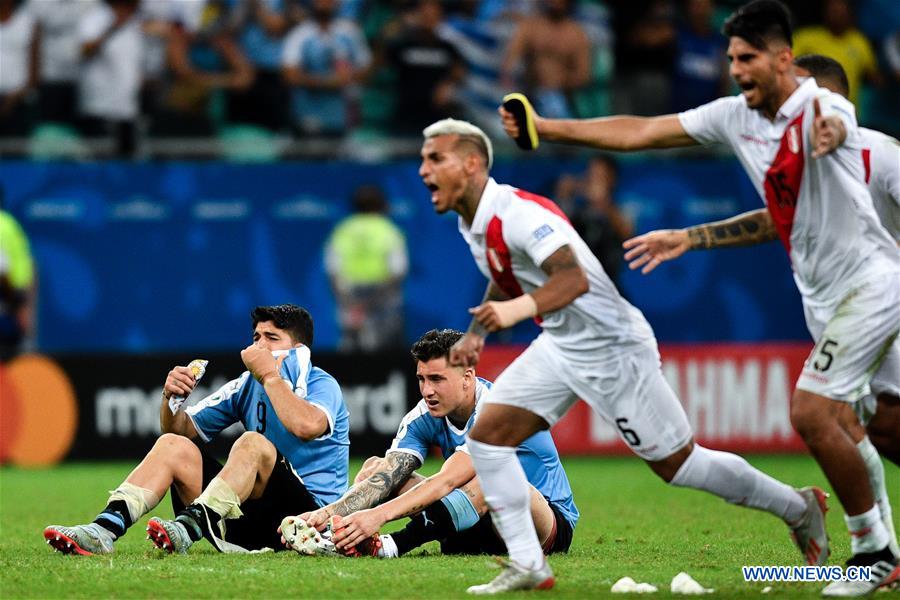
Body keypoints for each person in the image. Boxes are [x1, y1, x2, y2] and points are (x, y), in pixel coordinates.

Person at [499, 1, 899, 594]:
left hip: (872, 284)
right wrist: (549, 128)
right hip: (829, 300)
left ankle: (874, 553)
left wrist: (831, 131)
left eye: (749, 58)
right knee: (877, 426)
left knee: (814, 412)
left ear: (783, 59)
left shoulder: (822, 107)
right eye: (731, 57)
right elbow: (642, 130)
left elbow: (835, 121)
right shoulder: (734, 116)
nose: (737, 69)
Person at [420, 118, 828, 594]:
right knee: (488, 440)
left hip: (614, 349)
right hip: (562, 343)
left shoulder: (518, 214)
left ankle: (799, 508)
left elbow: (574, 280)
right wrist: (475, 334)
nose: (424, 170)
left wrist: (510, 311)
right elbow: (506, 272)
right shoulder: (472, 222)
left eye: (435, 158)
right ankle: (530, 565)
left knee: (680, 465)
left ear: (471, 164)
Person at [43, 304, 350, 555]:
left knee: (253, 443)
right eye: (256, 337)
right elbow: (180, 430)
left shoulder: (322, 385)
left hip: (310, 525)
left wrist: (271, 376)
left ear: (298, 349)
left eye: (271, 338)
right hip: (252, 523)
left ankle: (189, 526)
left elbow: (307, 426)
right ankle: (103, 529)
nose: (258, 346)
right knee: (173, 446)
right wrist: (171, 399)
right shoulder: (246, 385)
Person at [283, 328, 577, 560]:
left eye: (437, 379)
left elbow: (447, 481)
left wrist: (377, 517)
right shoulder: (423, 415)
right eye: (422, 379)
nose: (427, 390)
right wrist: (326, 517)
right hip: (478, 522)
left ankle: (392, 545)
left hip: (542, 525)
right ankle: (342, 540)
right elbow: (387, 476)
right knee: (374, 469)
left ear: (467, 377)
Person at [324, 184, 408, 352]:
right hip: (382, 302)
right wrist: (369, 303)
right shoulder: (388, 230)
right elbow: (398, 271)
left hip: (350, 299)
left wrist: (352, 303)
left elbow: (332, 271)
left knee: (351, 354)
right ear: (382, 205)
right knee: (386, 356)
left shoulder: (343, 230)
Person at [553, 154, 633, 292]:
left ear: (612, 178)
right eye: (592, 175)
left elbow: (627, 233)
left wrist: (604, 202)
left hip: (607, 284)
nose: (594, 181)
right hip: (575, 283)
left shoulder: (622, 206)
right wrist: (563, 196)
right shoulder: (578, 208)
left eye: (600, 176)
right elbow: (556, 231)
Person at [500, 0, 590, 120]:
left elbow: (583, 74)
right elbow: (511, 58)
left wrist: (558, 83)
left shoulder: (576, 34)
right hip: (531, 95)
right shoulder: (531, 26)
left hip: (560, 99)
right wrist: (508, 77)